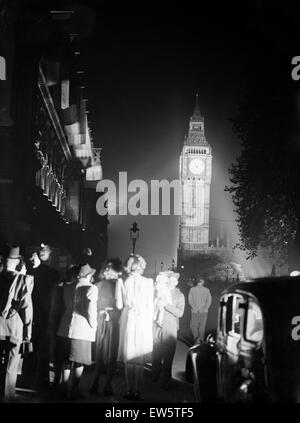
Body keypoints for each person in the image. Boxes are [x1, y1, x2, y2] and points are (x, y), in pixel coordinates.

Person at [54, 263, 98, 399]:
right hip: (82, 329)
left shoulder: (67, 287)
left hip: (65, 327)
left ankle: (62, 389)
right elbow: (91, 310)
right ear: (89, 275)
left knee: (66, 361)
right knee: (79, 361)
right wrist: (94, 325)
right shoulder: (92, 288)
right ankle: (74, 389)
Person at [116, 254, 153, 401]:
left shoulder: (122, 281)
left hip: (129, 318)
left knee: (128, 357)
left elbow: (119, 305)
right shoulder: (149, 282)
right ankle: (137, 389)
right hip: (143, 319)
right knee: (138, 357)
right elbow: (150, 306)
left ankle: (129, 389)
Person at [24, 244, 59, 391]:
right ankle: (41, 379)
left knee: (31, 347)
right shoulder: (51, 274)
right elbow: (50, 296)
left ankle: (29, 376)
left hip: (33, 314)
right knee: (42, 348)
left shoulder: (31, 272)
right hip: (44, 315)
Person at [0, 246, 33, 402]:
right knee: (11, 364)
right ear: (17, 262)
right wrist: (28, 330)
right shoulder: (22, 280)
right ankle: (7, 395)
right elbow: (27, 308)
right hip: (14, 327)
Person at [90, 258, 123, 396]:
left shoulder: (118, 285)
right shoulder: (97, 285)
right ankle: (96, 383)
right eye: (107, 267)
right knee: (100, 353)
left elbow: (121, 306)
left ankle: (107, 384)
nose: (108, 270)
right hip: (102, 320)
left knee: (111, 355)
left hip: (113, 322)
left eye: (111, 268)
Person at [152, 271, 185, 390]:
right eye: (169, 280)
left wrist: (167, 305)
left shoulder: (179, 295)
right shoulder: (159, 291)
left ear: (176, 282)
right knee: (156, 351)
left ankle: (166, 379)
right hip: (156, 325)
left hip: (170, 327)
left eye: (173, 281)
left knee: (168, 354)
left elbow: (180, 313)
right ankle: (155, 374)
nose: (171, 282)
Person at [188, 278, 212, 343]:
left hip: (195, 312)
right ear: (202, 282)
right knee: (202, 327)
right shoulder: (207, 290)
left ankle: (196, 339)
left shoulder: (192, 289)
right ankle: (201, 341)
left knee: (193, 326)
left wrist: (195, 308)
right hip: (204, 312)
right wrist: (204, 308)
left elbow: (190, 300)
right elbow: (209, 300)